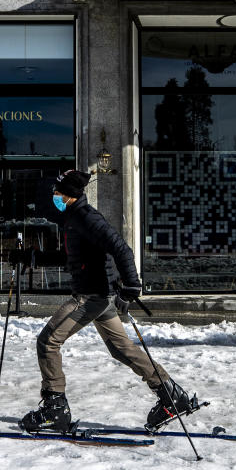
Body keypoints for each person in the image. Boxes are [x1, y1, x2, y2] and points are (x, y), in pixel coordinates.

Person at [19, 169, 199, 434]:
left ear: (68, 195)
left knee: (47, 341)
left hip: (90, 297)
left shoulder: (86, 217)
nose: (54, 196)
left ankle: (55, 408)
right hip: (99, 298)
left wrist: (132, 284)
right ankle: (172, 396)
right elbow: (75, 257)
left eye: (57, 193)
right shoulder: (73, 217)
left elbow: (120, 247)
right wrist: (31, 258)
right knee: (122, 349)